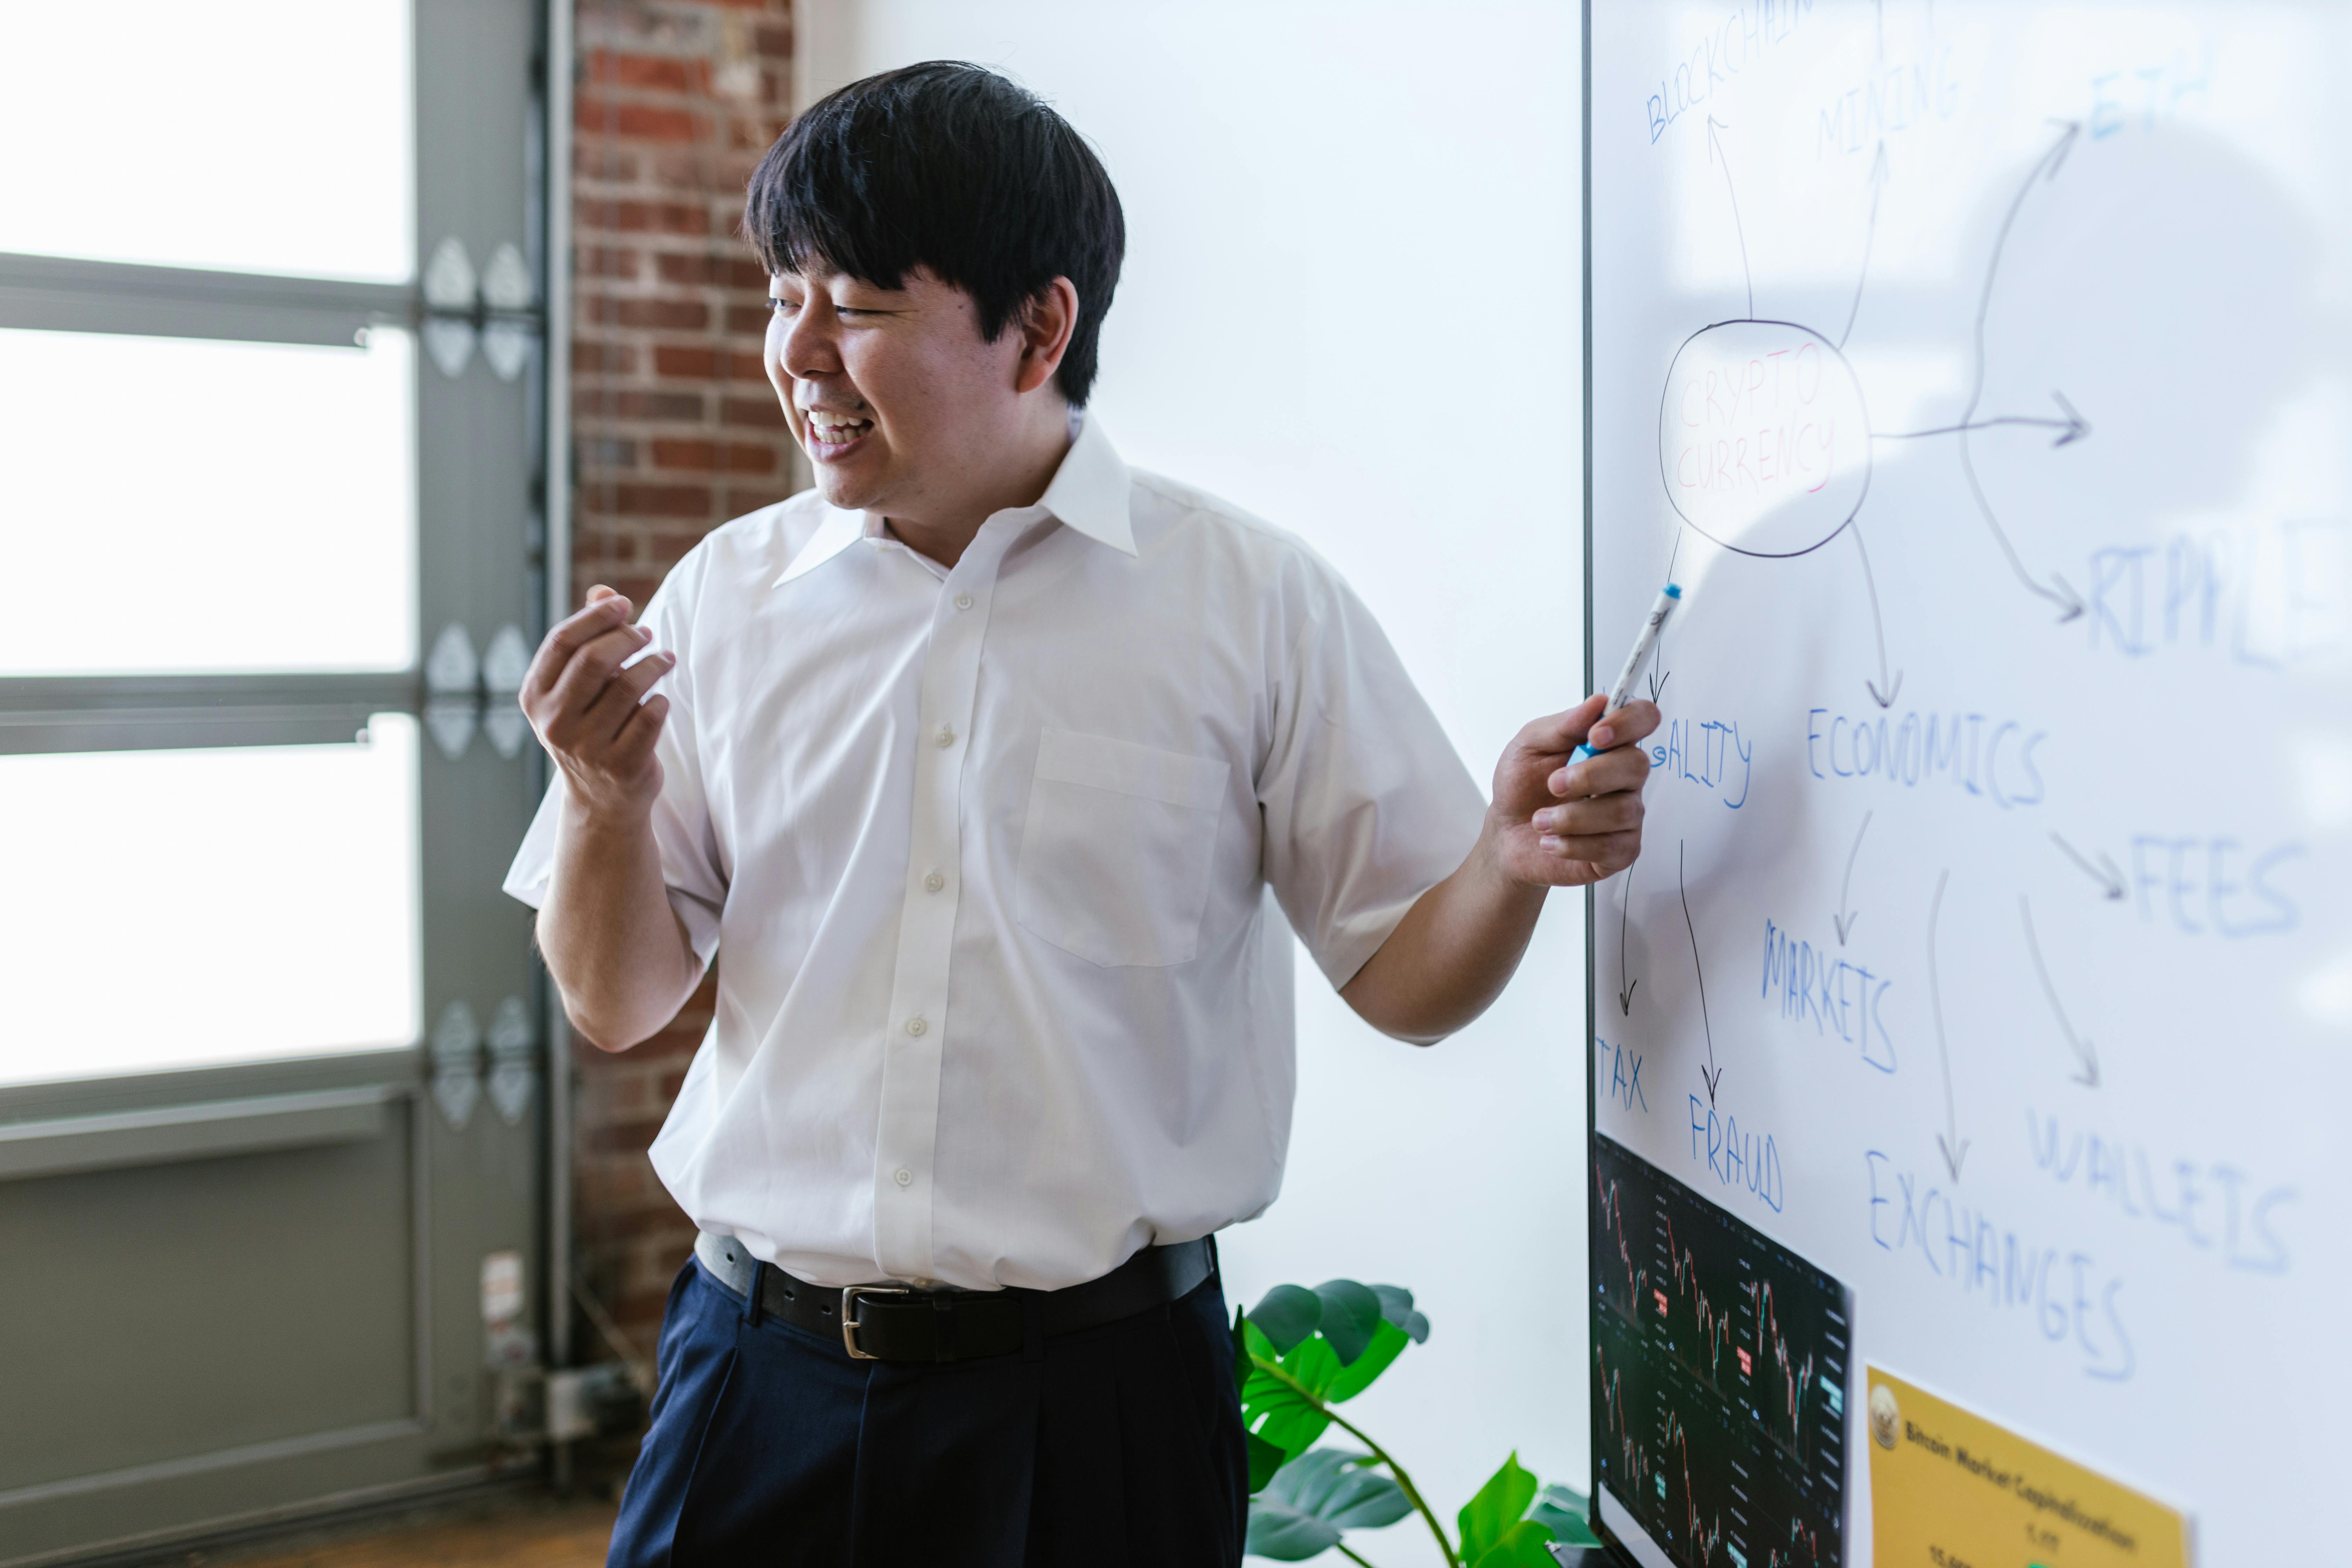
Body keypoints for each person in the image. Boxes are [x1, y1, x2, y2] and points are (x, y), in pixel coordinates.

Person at [506, 60, 1659, 1568]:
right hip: (757, 1375)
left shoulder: (1247, 602)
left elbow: (1407, 985)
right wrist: (604, 801)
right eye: (783, 296)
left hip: (1098, 1409)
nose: (798, 353)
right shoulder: (724, 596)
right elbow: (616, 1003)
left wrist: (1506, 862)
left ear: (1039, 328)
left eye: (855, 305)